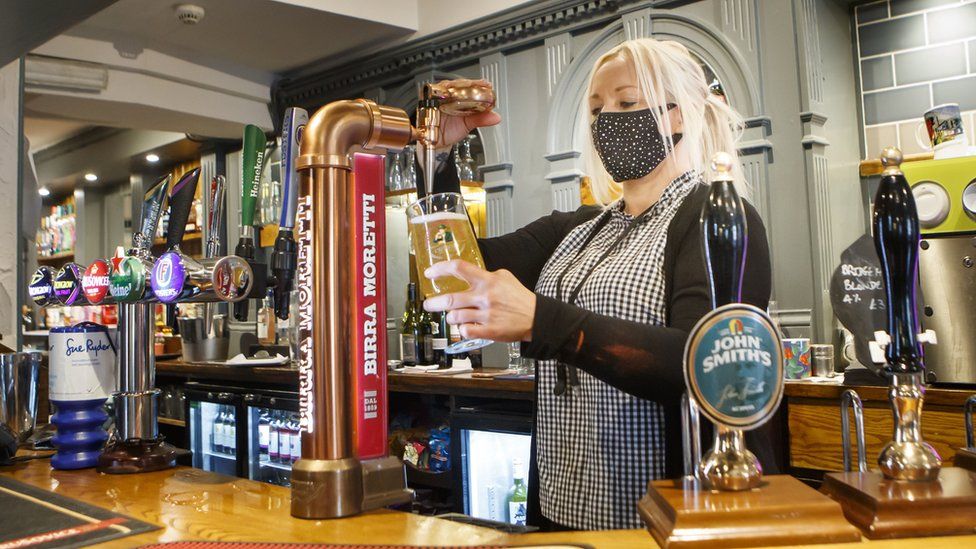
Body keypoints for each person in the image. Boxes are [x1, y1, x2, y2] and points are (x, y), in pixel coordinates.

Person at [421, 38, 776, 530]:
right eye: (596, 109)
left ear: (678, 114)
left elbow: (702, 366)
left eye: (627, 103)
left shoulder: (714, 216)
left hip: (655, 519)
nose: (607, 119)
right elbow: (456, 262)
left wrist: (543, 321)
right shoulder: (580, 228)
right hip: (563, 506)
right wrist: (439, 156)